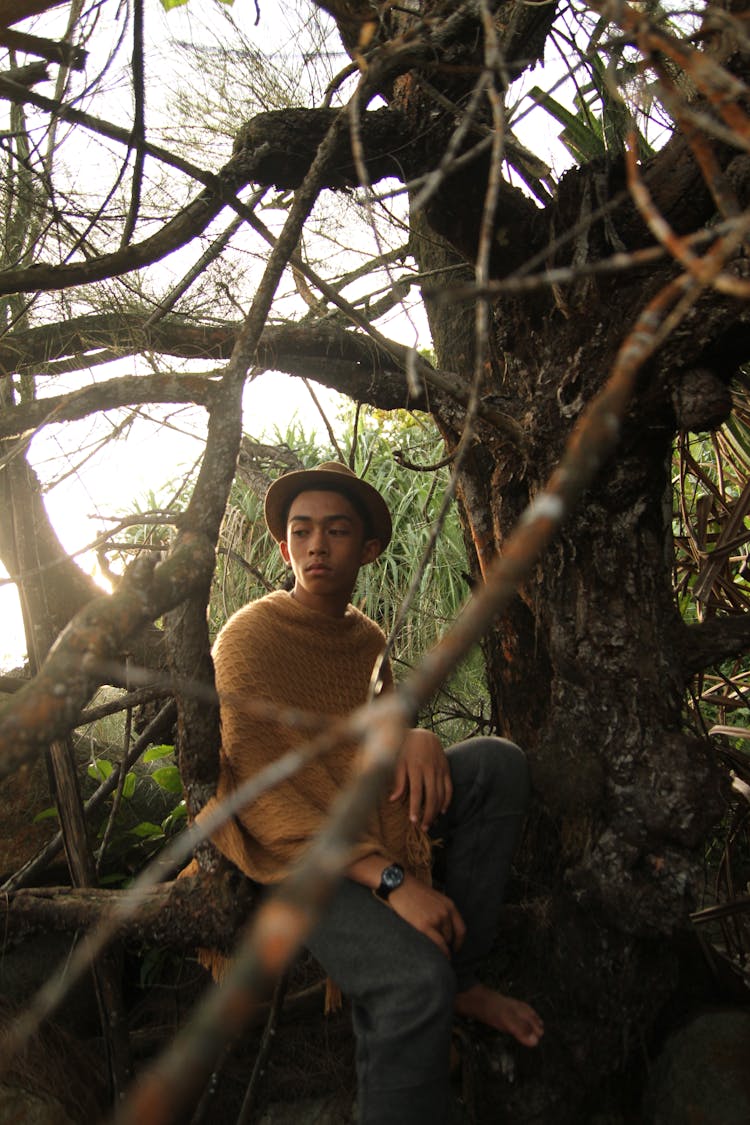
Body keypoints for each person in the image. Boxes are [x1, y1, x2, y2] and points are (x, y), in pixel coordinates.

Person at [207, 461, 543, 1124]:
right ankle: (437, 986)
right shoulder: (248, 639)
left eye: (335, 531)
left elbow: (374, 745)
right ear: (284, 548)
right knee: (413, 982)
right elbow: (264, 796)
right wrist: (394, 881)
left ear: (367, 549)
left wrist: (413, 735)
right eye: (301, 532)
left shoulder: (364, 638)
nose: (315, 546)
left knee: (496, 765)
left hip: (358, 817)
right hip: (294, 858)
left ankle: (463, 976)